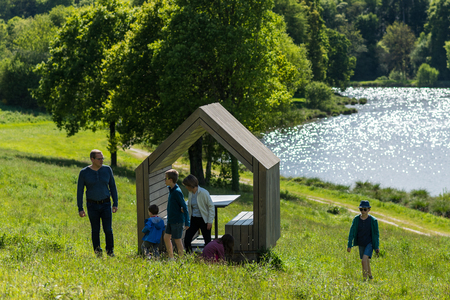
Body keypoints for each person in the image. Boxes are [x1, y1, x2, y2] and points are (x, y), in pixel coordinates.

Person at [77, 149, 118, 257]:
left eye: (102, 158)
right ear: (92, 159)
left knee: (108, 229)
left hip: (106, 204)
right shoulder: (84, 172)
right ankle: (97, 252)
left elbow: (113, 186)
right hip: (92, 205)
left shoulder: (107, 170)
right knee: (95, 230)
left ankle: (110, 251)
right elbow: (80, 191)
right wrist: (80, 208)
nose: (101, 160)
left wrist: (115, 203)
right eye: (99, 159)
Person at [347, 200, 380, 280]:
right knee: (366, 260)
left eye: (365, 209)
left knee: (364, 260)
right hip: (361, 242)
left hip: (370, 243)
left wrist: (376, 247)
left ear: (369, 210)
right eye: (361, 209)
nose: (363, 211)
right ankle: (370, 276)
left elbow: (376, 234)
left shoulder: (373, 220)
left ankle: (364, 279)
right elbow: (351, 232)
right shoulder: (356, 219)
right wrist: (349, 245)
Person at [182, 174, 215, 253]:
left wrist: (210, 221)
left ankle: (208, 258)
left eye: (186, 185)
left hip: (204, 220)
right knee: (187, 240)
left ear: (191, 185)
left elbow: (211, 207)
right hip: (194, 219)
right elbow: (190, 204)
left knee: (207, 242)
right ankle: (189, 256)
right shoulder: (190, 193)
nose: (186, 187)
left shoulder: (203, 193)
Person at [163, 169, 190, 260]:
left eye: (166, 178)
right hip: (170, 219)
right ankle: (171, 258)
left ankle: (182, 259)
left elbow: (184, 207)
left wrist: (187, 222)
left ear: (171, 180)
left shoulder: (177, 192)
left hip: (177, 221)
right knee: (166, 238)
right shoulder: (171, 189)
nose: (164, 180)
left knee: (177, 240)